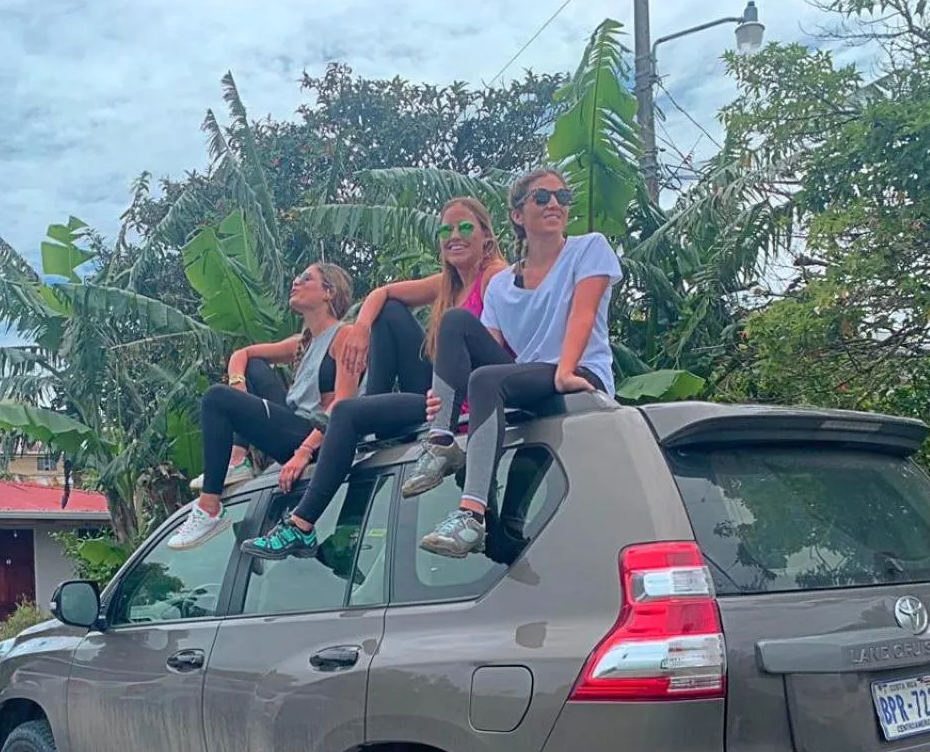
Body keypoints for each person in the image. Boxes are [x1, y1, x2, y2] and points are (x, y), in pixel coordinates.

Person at [240, 199, 510, 561]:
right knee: (386, 313)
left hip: (469, 400)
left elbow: (500, 348)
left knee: (346, 413)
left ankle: (301, 524)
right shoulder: (446, 284)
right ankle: (376, 427)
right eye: (446, 230)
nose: (454, 236)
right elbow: (382, 293)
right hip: (436, 398)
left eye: (465, 228)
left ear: (486, 236)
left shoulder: (495, 276)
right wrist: (360, 329)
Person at [403, 167, 623, 559]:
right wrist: (443, 397)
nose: (554, 203)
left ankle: (470, 515)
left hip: (580, 374)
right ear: (518, 215)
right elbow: (485, 349)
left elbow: (583, 314)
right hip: (530, 382)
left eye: (562, 197)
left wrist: (566, 370)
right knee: (455, 323)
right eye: (542, 197)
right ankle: (440, 443)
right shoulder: (503, 285)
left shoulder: (588, 249)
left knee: (488, 381)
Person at [166, 262, 357, 550]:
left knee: (216, 399)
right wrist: (239, 385)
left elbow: (344, 405)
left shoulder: (344, 336)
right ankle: (237, 460)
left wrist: (304, 452)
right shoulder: (302, 343)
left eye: (306, 278)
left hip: (318, 437)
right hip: (293, 425)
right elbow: (241, 354)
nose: (296, 282)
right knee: (252, 366)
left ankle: (209, 508)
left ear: (328, 292)